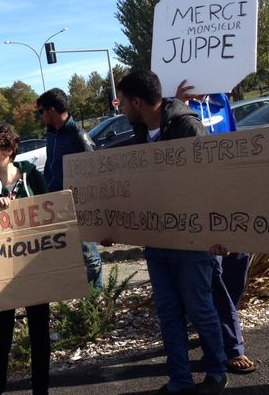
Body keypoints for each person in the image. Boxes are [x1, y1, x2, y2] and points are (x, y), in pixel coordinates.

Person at [116, 70, 227, 395]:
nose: (119, 106)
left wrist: (220, 232)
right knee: (168, 314)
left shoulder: (187, 128)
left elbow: (215, 183)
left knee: (200, 310)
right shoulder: (139, 135)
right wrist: (111, 227)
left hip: (192, 242)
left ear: (137, 102)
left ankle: (216, 372)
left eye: (122, 101)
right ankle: (180, 379)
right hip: (157, 242)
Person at [175, 81, 257, 375]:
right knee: (215, 270)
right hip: (199, 200)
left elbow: (233, 141)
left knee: (239, 260)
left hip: (230, 194)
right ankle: (232, 344)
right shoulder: (176, 106)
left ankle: (221, 319)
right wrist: (179, 104)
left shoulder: (221, 98)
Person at [0, 123, 50, 395]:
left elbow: (50, 213)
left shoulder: (33, 178)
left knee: (39, 333)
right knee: (1, 335)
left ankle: (41, 389)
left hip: (33, 266)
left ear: (8, 150)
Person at [36, 88, 103, 288]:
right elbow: (51, 166)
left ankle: (96, 303)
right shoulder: (52, 134)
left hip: (77, 206)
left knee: (89, 255)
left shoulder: (78, 136)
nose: (40, 116)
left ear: (52, 111)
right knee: (71, 254)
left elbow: (95, 173)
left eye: (41, 111)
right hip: (56, 203)